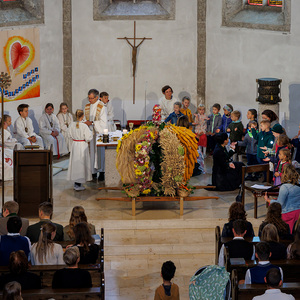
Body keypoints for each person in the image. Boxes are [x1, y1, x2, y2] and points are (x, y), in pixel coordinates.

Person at [264, 164, 300, 233]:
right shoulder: (298, 182)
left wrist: (268, 200)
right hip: (298, 212)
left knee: (288, 234)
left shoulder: (285, 187)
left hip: (288, 213)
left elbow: (279, 204)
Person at [84, 89, 108, 182]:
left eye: (91, 98)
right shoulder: (87, 106)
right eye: (89, 98)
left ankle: (102, 172)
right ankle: (93, 172)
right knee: (91, 153)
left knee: (99, 153)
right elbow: (84, 119)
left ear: (97, 97)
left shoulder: (102, 106)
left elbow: (103, 122)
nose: (89, 100)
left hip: (98, 133)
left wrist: (93, 123)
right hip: (90, 134)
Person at [67, 109, 93, 191]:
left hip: (75, 145)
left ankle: (76, 182)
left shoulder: (72, 124)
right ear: (83, 116)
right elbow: (88, 137)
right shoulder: (84, 126)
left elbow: (68, 134)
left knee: (76, 164)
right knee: (81, 164)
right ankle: (78, 183)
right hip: (82, 145)